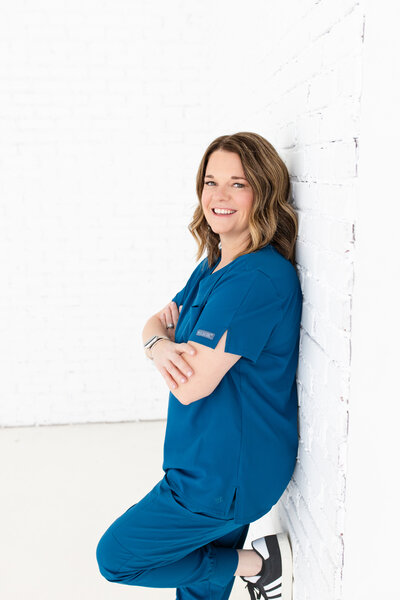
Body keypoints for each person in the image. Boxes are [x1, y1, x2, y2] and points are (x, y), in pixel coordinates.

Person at [96, 132, 303, 600]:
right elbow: (156, 321)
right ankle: (248, 570)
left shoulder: (256, 279)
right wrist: (158, 345)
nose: (219, 196)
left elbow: (190, 386)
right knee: (198, 590)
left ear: (264, 191)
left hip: (224, 477)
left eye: (238, 183)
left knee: (117, 557)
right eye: (211, 182)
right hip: (205, 465)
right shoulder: (215, 264)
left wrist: (164, 346)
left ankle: (257, 565)